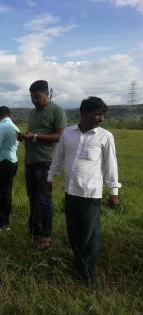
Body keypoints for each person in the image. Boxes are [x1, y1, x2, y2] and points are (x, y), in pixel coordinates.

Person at [46, 97, 121, 285]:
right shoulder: (68, 133)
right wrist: (50, 178)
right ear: (84, 114)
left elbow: (110, 165)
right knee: (74, 232)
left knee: (89, 236)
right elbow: (58, 157)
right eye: (97, 114)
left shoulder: (105, 136)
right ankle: (78, 263)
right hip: (70, 192)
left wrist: (113, 192)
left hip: (90, 195)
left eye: (102, 114)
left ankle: (88, 275)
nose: (101, 118)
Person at [18, 80, 67, 250]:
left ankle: (46, 234)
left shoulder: (57, 111)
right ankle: (35, 230)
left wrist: (35, 136)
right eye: (32, 97)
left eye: (37, 97)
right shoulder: (33, 113)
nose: (34, 100)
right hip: (30, 161)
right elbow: (34, 134)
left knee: (45, 199)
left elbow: (60, 136)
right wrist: (25, 136)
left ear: (47, 94)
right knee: (33, 198)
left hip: (46, 161)